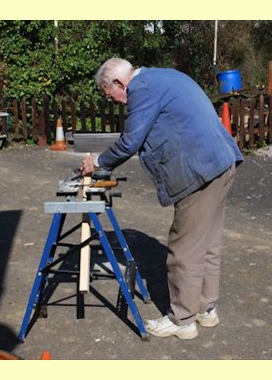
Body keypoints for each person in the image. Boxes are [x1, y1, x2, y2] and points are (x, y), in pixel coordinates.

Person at [80, 58, 243, 339]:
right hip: (221, 163)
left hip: (201, 171)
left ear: (119, 83)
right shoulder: (163, 76)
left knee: (184, 248)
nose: (116, 102)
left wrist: (97, 162)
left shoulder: (142, 88)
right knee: (207, 243)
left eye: (111, 95)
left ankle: (182, 320)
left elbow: (131, 141)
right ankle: (205, 309)